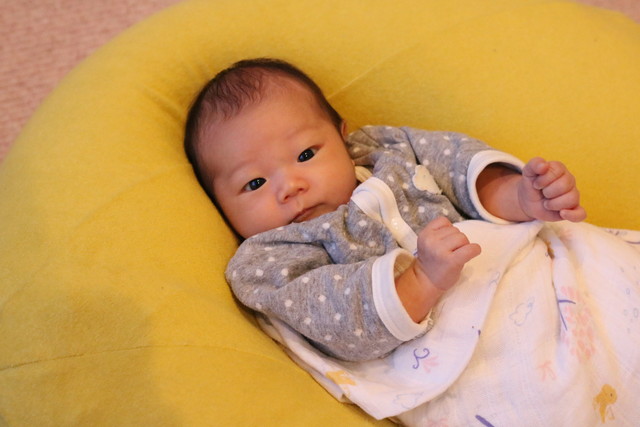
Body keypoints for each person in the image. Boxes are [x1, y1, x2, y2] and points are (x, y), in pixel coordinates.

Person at [184, 58, 586, 362]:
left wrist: (522, 196)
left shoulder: (384, 151)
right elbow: (334, 320)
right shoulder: (267, 261)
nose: (290, 186)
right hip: (461, 351)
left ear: (342, 136)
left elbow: (455, 166)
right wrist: (421, 279)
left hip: (530, 272)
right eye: (254, 183)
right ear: (216, 202)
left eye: (306, 154)